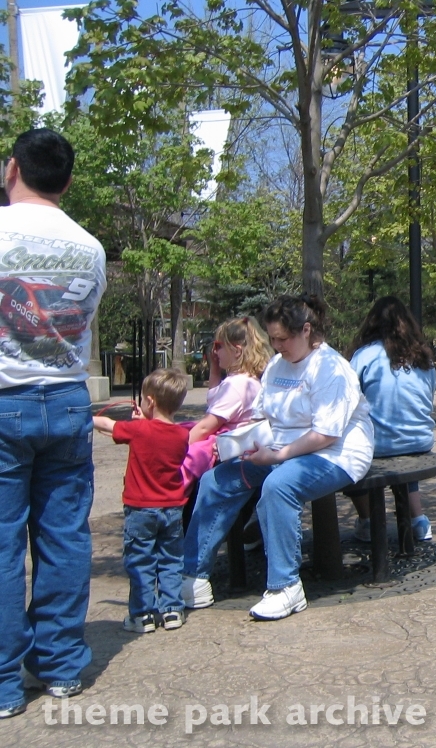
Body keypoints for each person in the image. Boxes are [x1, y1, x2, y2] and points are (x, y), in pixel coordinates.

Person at [0, 129, 107, 718]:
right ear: (67, 182)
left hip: (4, 399)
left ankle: (3, 684)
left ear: (12, 167)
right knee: (65, 536)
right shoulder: (89, 248)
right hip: (66, 400)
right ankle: (62, 666)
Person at [181, 295, 374, 621]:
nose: (276, 344)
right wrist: (242, 443)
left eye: (282, 338)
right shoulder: (275, 365)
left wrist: (278, 455)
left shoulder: (332, 368)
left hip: (336, 453)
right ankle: (192, 577)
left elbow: (326, 434)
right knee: (216, 480)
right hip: (279, 448)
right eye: (272, 337)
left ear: (306, 330)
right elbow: (264, 418)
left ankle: (286, 586)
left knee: (279, 486)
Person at [93, 369, 190, 634]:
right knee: (170, 559)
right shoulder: (182, 435)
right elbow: (157, 438)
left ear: (150, 401)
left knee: (140, 561)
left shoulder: (138, 430)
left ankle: (144, 614)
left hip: (140, 509)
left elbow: (109, 426)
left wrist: (88, 418)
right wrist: (144, 422)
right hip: (172, 508)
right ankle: (173, 610)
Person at [348, 296, 436, 542]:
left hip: (378, 445)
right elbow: (428, 398)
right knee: (402, 447)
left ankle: (368, 521)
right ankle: (418, 520)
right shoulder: (423, 358)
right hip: (419, 440)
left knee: (345, 455)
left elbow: (348, 399)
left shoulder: (364, 356)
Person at [180, 317, 273, 490]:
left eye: (219, 346)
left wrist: (175, 451)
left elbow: (205, 427)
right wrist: (214, 369)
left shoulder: (235, 385)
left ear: (237, 351)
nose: (215, 352)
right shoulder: (248, 380)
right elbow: (215, 400)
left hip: (227, 452)